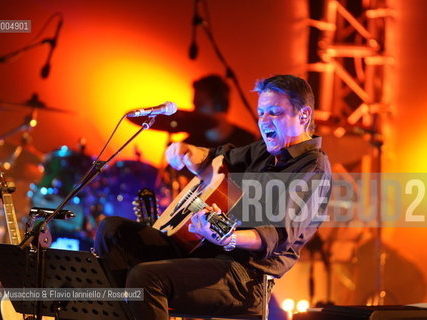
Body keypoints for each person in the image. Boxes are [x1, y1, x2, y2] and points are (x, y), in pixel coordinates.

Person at [94, 75, 332, 319]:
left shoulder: (312, 168)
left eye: (275, 113)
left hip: (245, 277)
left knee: (145, 278)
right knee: (113, 230)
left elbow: (276, 235)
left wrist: (227, 238)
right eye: (261, 113)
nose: (264, 121)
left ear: (303, 116)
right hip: (206, 253)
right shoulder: (264, 150)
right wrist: (188, 152)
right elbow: (218, 159)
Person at [183, 74, 256, 148]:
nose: (194, 111)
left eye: (200, 104)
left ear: (219, 104)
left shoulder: (249, 142)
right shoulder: (189, 145)